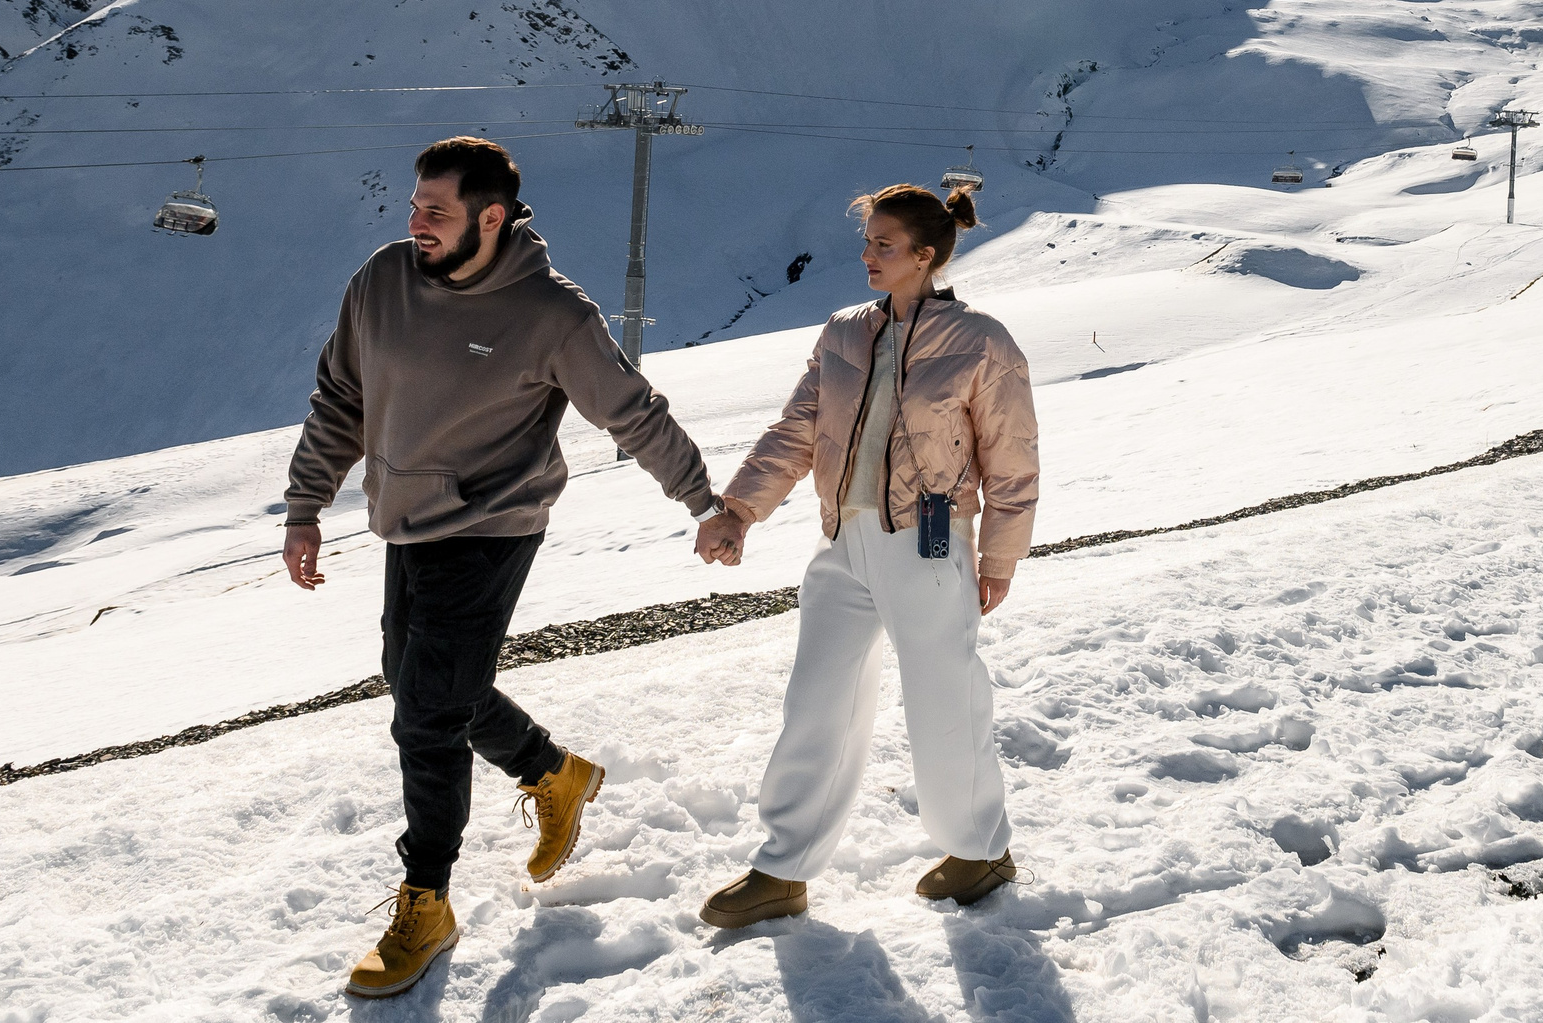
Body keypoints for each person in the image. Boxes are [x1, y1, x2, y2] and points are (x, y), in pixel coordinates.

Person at [279, 136, 727, 998]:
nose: (417, 223)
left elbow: (631, 412)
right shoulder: (382, 279)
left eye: (436, 211)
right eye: (414, 205)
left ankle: (428, 901)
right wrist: (306, 505)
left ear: (493, 218)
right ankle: (555, 772)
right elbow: (342, 396)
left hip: (492, 527)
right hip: (406, 518)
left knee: (428, 715)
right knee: (420, 680)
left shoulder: (552, 314)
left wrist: (702, 503)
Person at [694, 182, 1039, 927]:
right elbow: (796, 430)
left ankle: (979, 849)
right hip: (842, 541)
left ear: (925, 254)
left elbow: (1013, 462)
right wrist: (739, 509)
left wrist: (1000, 559)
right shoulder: (844, 330)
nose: (868, 256)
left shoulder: (982, 341)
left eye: (885, 244)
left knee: (943, 698)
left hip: (930, 540)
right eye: (868, 241)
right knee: (816, 701)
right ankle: (784, 867)